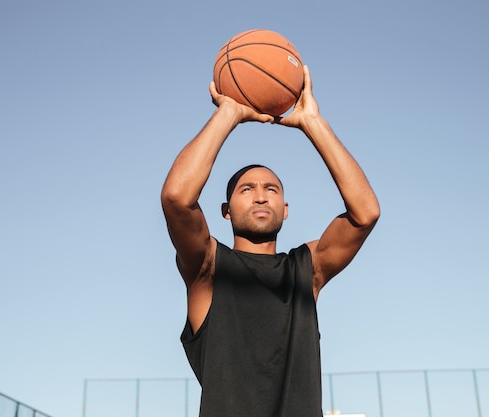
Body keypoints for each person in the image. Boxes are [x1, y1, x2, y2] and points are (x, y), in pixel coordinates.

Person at [161, 65, 380, 417]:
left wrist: (314, 124)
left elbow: (365, 214)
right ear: (226, 210)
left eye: (271, 189)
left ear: (286, 209)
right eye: (247, 189)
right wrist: (229, 113)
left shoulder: (306, 269)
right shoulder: (208, 267)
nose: (261, 197)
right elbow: (176, 198)